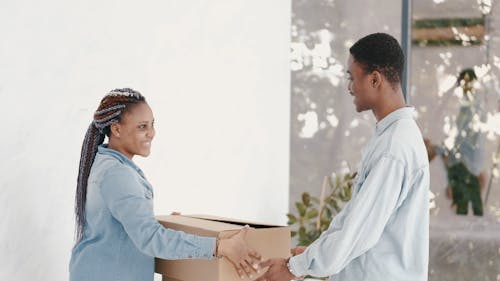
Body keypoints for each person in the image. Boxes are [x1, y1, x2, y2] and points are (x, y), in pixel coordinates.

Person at [257, 33, 429, 281]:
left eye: (352, 77)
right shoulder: (390, 137)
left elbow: (358, 229)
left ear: (374, 79)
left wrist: (295, 268)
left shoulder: (393, 148)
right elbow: (355, 216)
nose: (350, 87)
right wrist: (312, 256)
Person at [69, 88, 261, 281]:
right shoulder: (117, 173)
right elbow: (149, 238)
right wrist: (220, 246)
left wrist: (167, 225)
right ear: (116, 129)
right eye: (142, 127)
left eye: (152, 125)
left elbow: (122, 225)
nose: (151, 133)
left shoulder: (107, 164)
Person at [425, 69, 486, 216]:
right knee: (464, 206)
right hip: (461, 163)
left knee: (470, 206)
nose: (466, 87)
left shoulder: (473, 109)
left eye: (468, 83)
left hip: (466, 163)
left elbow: (470, 141)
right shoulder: (459, 108)